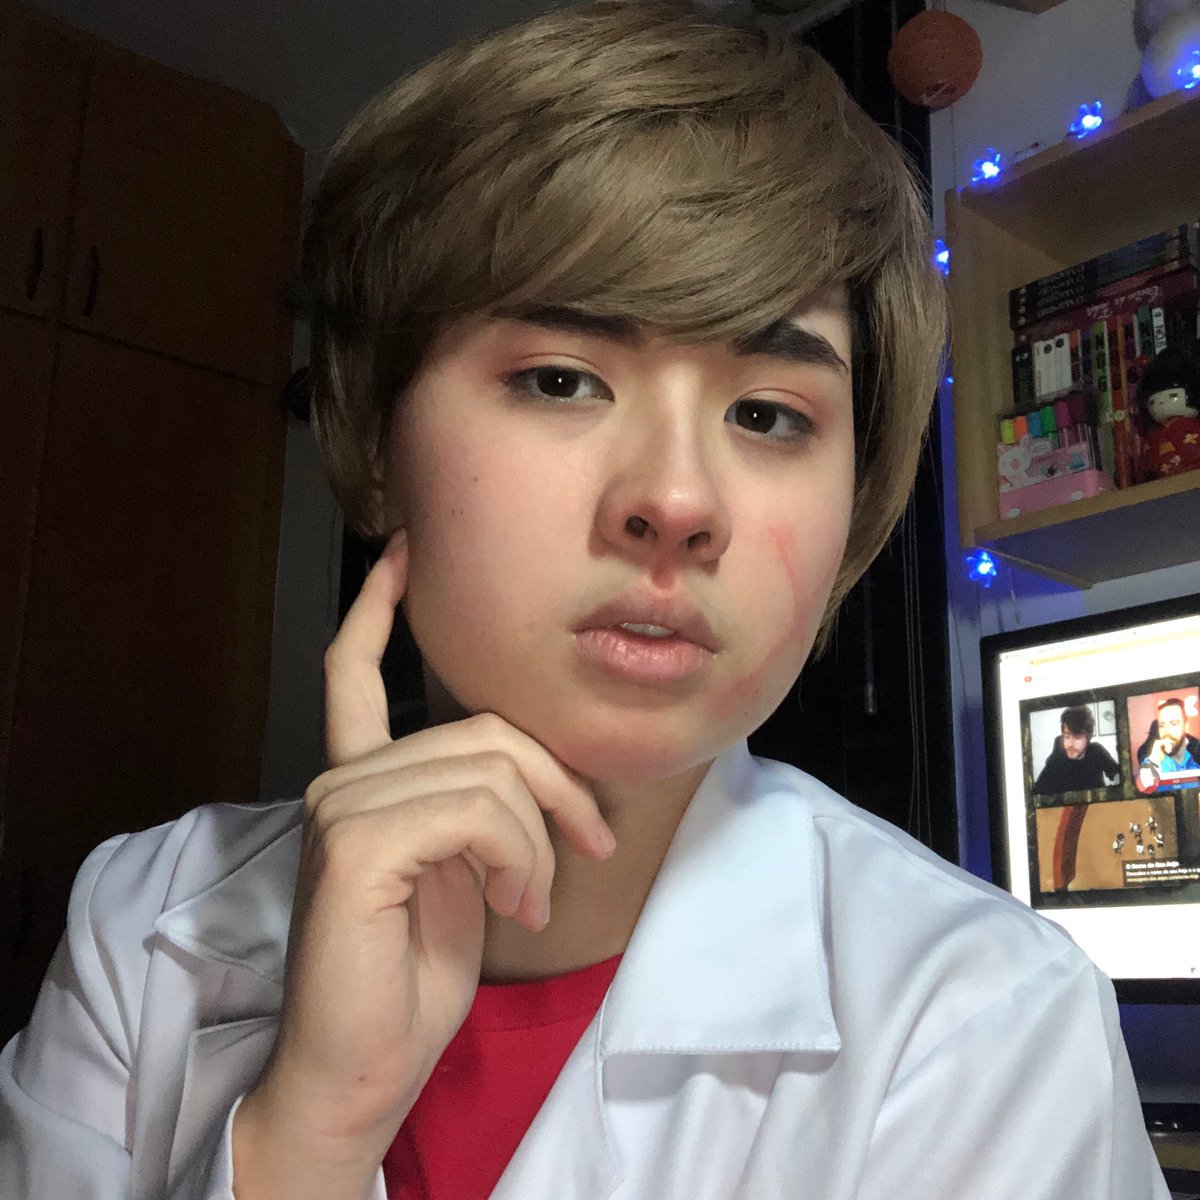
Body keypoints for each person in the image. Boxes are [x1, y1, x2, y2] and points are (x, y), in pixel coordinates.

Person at [0, 3, 1170, 1198]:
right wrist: (306, 1134)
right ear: (375, 439)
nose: (677, 500)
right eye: (561, 380)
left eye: (767, 413)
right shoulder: (145, 924)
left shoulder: (993, 1024)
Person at [1032, 705, 1121, 794]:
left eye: (1077, 737)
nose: (1070, 743)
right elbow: (1039, 789)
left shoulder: (1096, 751)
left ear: (1088, 738)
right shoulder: (1057, 756)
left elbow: (1117, 774)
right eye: (1067, 736)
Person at [1138, 697, 1200, 779]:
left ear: (1186, 727)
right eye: (1162, 726)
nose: (1167, 731)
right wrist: (1152, 762)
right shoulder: (1153, 759)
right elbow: (1143, 784)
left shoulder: (1196, 757)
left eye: (1174, 724)